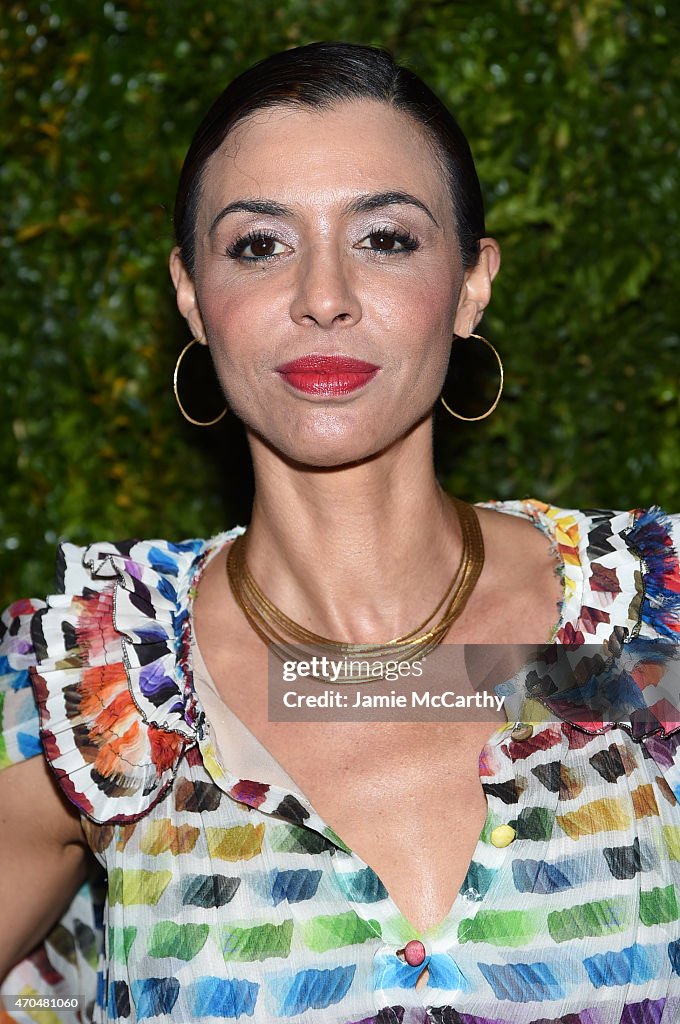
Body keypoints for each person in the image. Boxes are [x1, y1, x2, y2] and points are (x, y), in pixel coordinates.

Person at [1, 41, 679, 1024]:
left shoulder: (643, 628)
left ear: (471, 282)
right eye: (259, 246)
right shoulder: (91, 691)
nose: (323, 297)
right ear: (191, 294)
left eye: (385, 238)